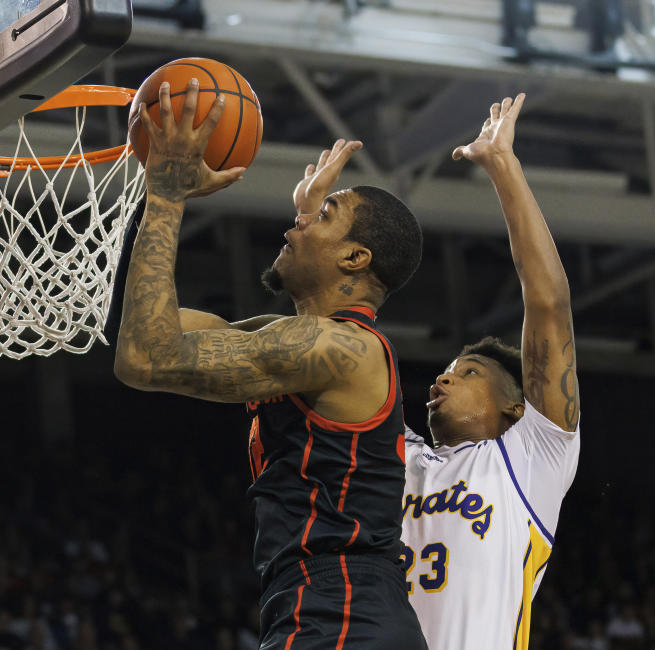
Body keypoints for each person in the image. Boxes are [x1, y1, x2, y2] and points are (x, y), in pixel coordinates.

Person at [113, 79, 427, 648]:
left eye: (324, 216)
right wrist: (313, 220)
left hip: (345, 609)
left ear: (356, 257)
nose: (295, 222)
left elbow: (146, 358)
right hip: (322, 605)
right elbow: (146, 331)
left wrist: (167, 195)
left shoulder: (344, 351)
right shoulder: (297, 344)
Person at [401, 94, 581, 650]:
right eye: (444, 373)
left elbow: (547, 304)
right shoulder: (399, 455)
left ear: (515, 406)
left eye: (468, 372)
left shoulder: (530, 458)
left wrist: (503, 167)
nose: (441, 379)